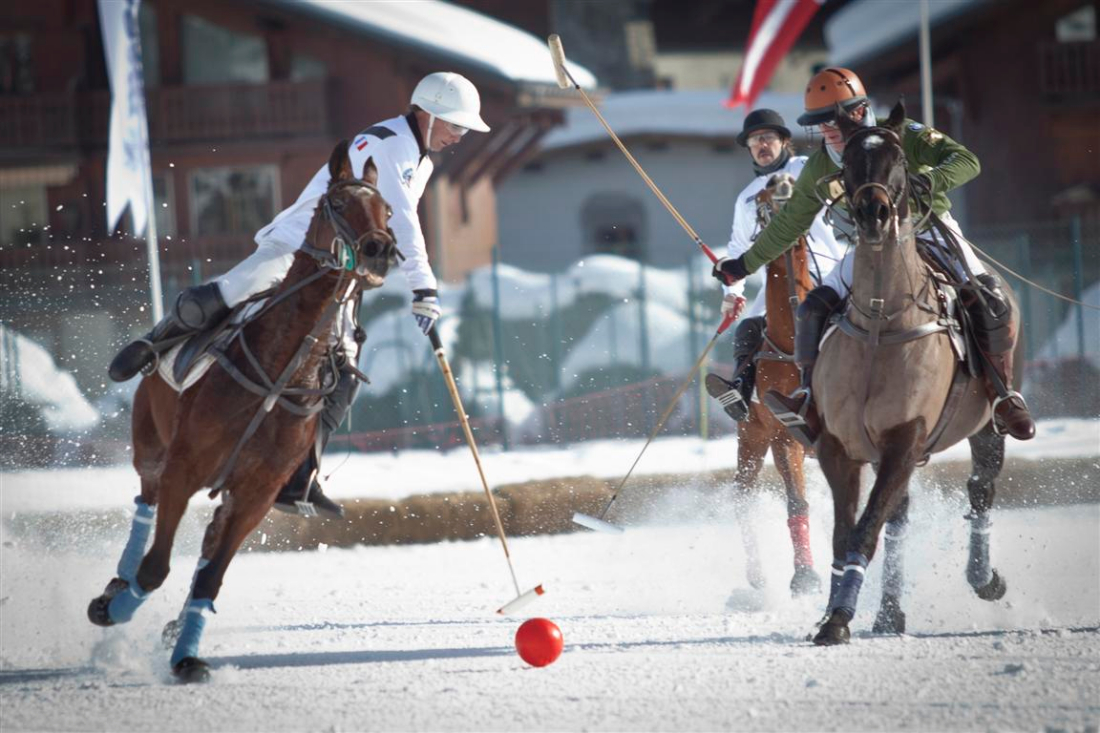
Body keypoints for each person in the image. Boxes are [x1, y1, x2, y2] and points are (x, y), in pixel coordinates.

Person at [107, 71, 491, 517]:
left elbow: (387, 223)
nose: (460, 136)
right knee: (230, 292)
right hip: (297, 245)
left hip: (335, 273)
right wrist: (424, 284)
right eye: (456, 125)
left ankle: (299, 475)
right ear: (428, 114)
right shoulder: (387, 142)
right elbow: (404, 218)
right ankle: (151, 344)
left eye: (464, 128)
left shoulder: (420, 158)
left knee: (344, 371)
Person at [711, 67, 1035, 444]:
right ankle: (809, 400)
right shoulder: (821, 163)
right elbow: (789, 225)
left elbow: (966, 160)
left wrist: (929, 181)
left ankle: (1003, 395)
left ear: (859, 110)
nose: (829, 132)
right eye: (820, 125)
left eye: (834, 121)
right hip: (869, 245)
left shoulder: (902, 132)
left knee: (989, 298)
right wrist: (744, 264)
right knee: (814, 306)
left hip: (929, 228)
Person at [705, 108, 845, 422]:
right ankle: (742, 388)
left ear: (783, 140)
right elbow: (738, 249)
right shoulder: (745, 200)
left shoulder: (805, 167)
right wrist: (733, 292)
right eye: (755, 141)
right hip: (777, 278)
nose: (761, 145)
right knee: (749, 327)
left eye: (767, 138)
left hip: (823, 268)